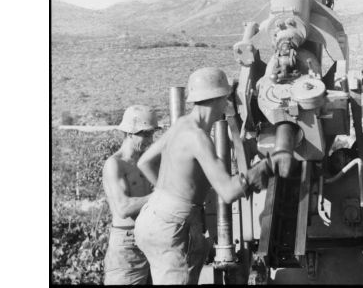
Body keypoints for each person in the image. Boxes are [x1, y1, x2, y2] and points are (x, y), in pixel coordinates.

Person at [134, 67, 274, 285]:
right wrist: (265, 167)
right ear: (220, 99)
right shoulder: (198, 137)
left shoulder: (181, 124)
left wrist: (169, 195)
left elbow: (144, 162)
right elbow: (227, 192)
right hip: (170, 226)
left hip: (152, 216)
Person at [102, 105, 159, 285]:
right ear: (129, 133)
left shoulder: (147, 162)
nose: (150, 139)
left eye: (151, 134)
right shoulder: (115, 164)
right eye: (145, 134)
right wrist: (161, 196)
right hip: (126, 244)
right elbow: (124, 207)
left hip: (149, 240)